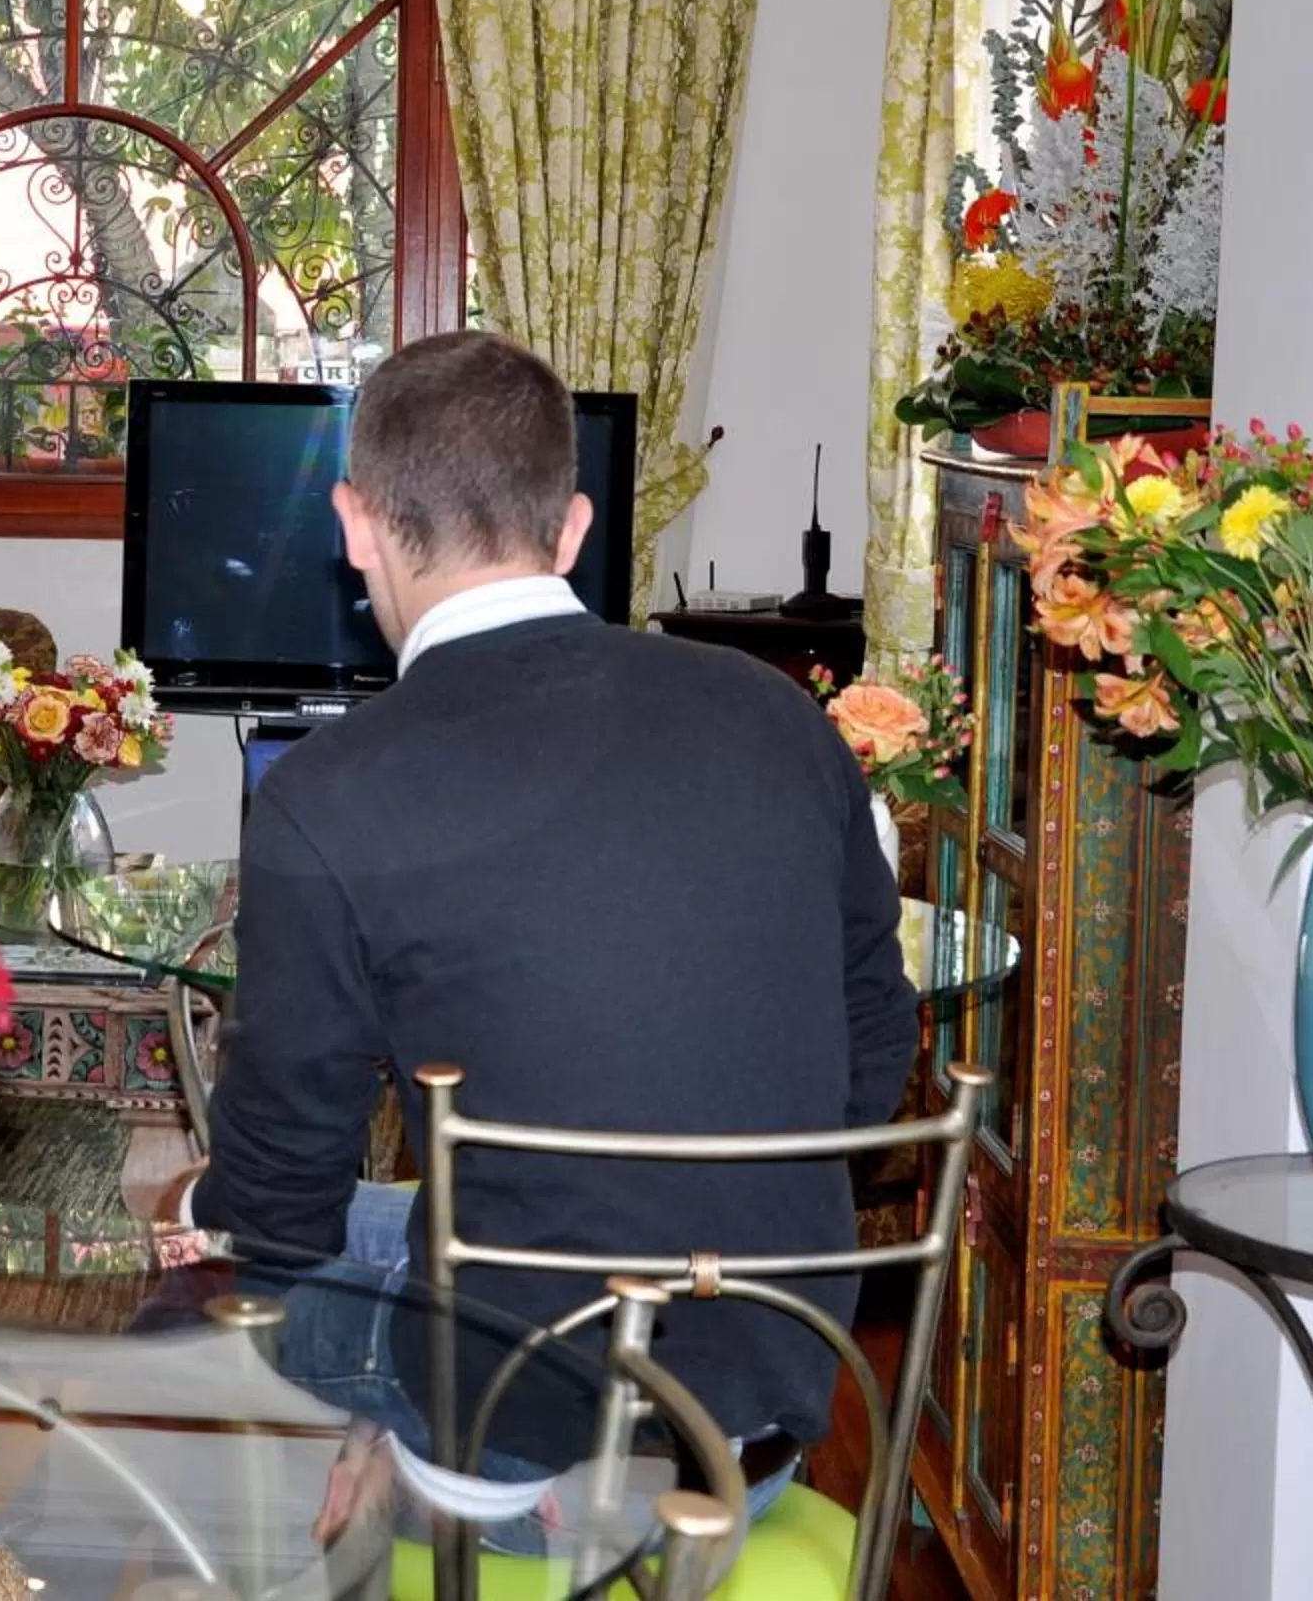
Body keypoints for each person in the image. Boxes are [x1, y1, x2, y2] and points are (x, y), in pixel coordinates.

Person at [183, 332, 915, 1556]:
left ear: (355, 526)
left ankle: (414, 1470)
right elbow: (875, 1039)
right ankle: (407, 1445)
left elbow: (281, 1216)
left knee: (199, 1259)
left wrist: (201, 1210)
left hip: (527, 1426)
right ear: (572, 529)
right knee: (391, 1226)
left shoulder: (328, 794)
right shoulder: (780, 717)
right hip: (765, 1404)